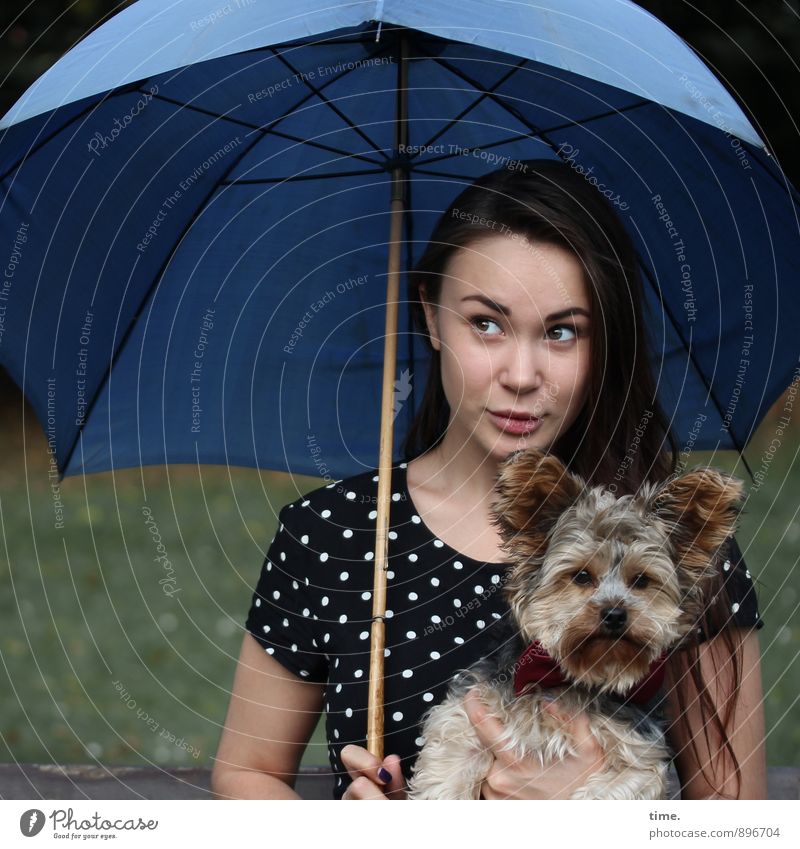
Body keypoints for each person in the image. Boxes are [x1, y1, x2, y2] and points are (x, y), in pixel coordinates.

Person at [211, 159, 766, 801]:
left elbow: (737, 822)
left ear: (602, 342)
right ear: (430, 315)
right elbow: (248, 773)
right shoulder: (330, 536)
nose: (522, 373)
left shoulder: (677, 550)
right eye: (487, 323)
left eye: (562, 332)